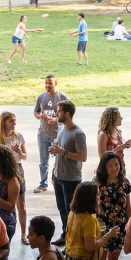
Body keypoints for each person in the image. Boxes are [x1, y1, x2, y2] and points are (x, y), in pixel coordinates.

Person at [93, 151, 131, 260]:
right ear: (103, 167)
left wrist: (130, 227)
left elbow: (128, 207)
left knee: (114, 257)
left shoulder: (124, 181)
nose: (114, 168)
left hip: (120, 226)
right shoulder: (97, 183)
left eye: (116, 164)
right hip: (102, 227)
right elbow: (92, 207)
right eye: (110, 166)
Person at [49, 100, 87, 245]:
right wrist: (54, 167)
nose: (56, 114)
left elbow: (83, 157)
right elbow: (59, 150)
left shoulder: (78, 134)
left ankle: (73, 241)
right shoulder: (61, 129)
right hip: (59, 176)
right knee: (61, 209)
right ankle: (66, 235)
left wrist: (63, 152)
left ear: (67, 113)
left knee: (72, 212)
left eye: (58, 111)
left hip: (71, 179)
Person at [0, 111, 29, 244]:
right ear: (4, 122)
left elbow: (24, 156)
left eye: (15, 120)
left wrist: (19, 152)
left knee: (21, 204)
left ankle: (23, 234)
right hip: (0, 171)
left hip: (16, 169)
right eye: (11, 121)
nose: (14, 123)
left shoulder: (19, 136)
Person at [32, 75, 70, 194]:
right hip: (43, 134)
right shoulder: (41, 97)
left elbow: (70, 114)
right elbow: (36, 111)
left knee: (60, 160)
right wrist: (40, 116)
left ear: (56, 83)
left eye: (50, 83)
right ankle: (43, 184)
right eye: (46, 83)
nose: (48, 85)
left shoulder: (62, 97)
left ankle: (60, 183)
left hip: (58, 135)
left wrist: (56, 120)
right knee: (43, 162)